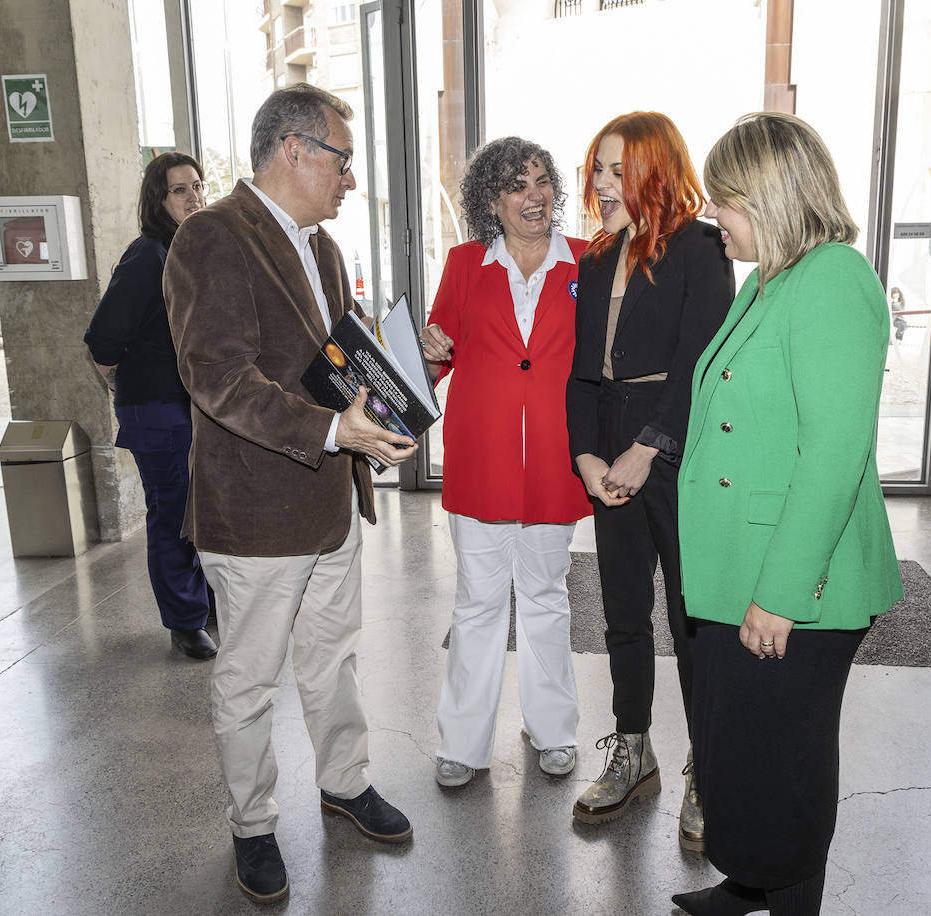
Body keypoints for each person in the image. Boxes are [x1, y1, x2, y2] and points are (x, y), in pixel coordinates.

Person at [163, 84, 418, 905]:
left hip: (329, 504)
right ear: (294, 150)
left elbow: (337, 365)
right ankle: (252, 825)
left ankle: (343, 783)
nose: (350, 179)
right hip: (256, 515)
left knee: (331, 659)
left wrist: (404, 375)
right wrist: (331, 432)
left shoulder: (325, 250)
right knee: (248, 680)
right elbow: (217, 377)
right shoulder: (212, 238)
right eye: (342, 160)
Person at [672, 112, 903, 916]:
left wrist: (780, 591)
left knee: (786, 757)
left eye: (725, 201)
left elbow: (835, 455)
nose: (715, 219)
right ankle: (750, 883)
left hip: (796, 577)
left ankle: (792, 899)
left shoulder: (835, 278)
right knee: (738, 743)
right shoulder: (774, 275)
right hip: (742, 561)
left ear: (769, 196)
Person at [565, 111, 734, 846]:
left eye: (615, 169)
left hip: (676, 451)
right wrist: (587, 456)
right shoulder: (597, 257)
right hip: (608, 450)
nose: (600, 184)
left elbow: (702, 361)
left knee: (695, 619)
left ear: (653, 171)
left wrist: (648, 447)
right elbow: (580, 375)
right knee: (623, 614)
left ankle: (710, 768)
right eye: (596, 169)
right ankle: (633, 750)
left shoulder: (701, 247)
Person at [420, 138, 591, 788]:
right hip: (482, 460)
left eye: (542, 180)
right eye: (518, 184)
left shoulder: (585, 261)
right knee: (478, 603)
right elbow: (436, 357)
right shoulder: (465, 265)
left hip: (554, 463)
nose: (535, 194)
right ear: (492, 200)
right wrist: (434, 349)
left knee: (547, 598)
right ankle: (463, 743)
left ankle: (553, 730)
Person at [84, 152, 215, 660]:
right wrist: (125, 386)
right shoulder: (147, 256)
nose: (193, 196)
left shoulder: (193, 249)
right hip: (158, 411)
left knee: (201, 510)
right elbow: (101, 339)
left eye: (197, 186)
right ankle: (185, 620)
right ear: (157, 200)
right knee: (176, 513)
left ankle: (202, 603)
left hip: (193, 408)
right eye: (179, 189)